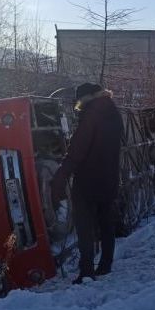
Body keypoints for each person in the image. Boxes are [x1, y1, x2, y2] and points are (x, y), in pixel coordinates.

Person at [51, 82, 123, 284]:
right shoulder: (114, 114)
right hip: (109, 178)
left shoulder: (91, 115)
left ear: (86, 98)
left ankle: (86, 271)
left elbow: (77, 151)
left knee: (85, 227)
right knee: (106, 223)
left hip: (88, 181)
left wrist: (61, 176)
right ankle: (106, 265)